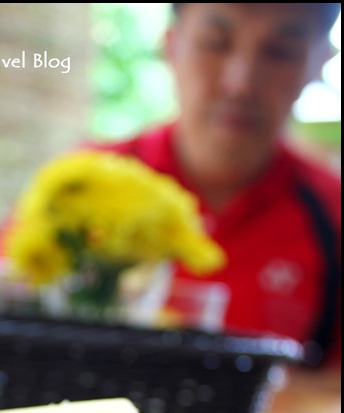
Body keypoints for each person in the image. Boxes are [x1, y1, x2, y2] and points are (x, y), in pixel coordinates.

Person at [92, 3, 341, 366]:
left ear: (319, 62)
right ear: (171, 45)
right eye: (215, 43)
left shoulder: (331, 214)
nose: (240, 84)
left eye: (280, 52)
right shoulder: (84, 186)